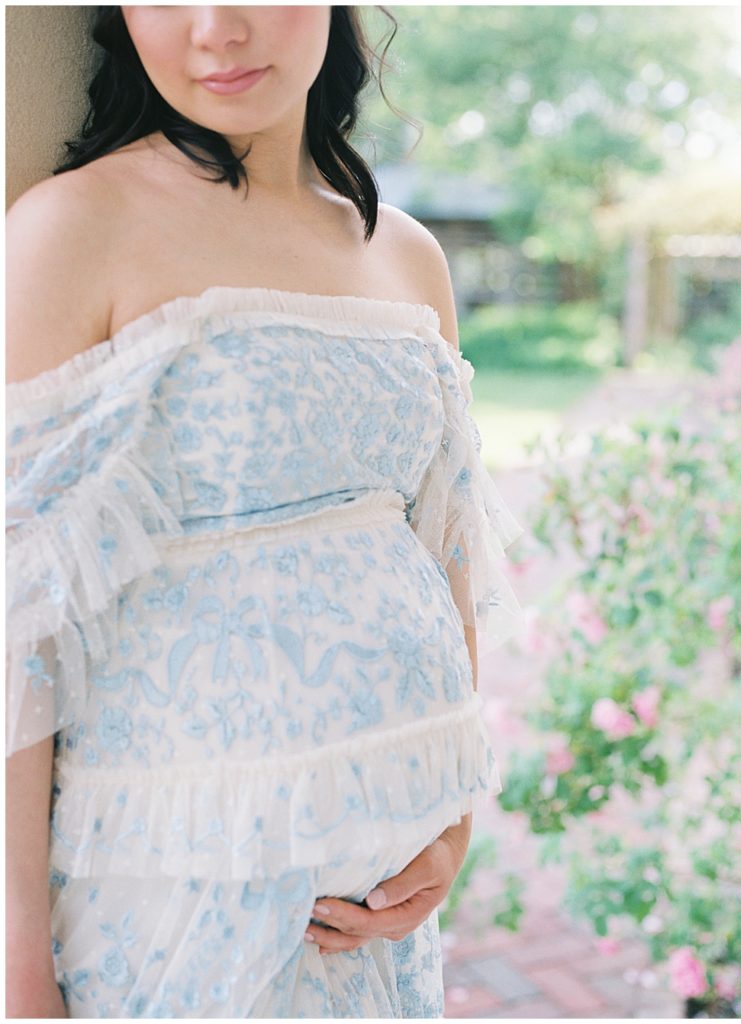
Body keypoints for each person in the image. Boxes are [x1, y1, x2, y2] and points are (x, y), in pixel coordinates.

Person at [5, 5, 525, 1018]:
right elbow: (15, 626)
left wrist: (449, 824)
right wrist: (17, 971)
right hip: (172, 906)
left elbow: (442, 545)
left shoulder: (408, 253)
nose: (215, 30)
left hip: (376, 920)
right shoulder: (73, 229)